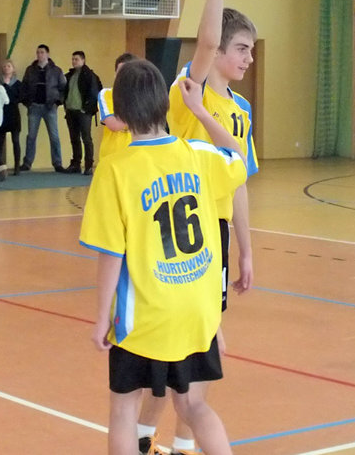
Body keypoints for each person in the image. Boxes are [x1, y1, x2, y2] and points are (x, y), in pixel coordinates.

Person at [80, 59, 247, 455]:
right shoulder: (199, 155)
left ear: (120, 113)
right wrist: (200, 111)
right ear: (164, 104)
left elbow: (111, 254)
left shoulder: (114, 170)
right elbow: (236, 154)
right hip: (198, 310)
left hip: (146, 315)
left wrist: (102, 317)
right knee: (193, 405)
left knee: (124, 410)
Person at [138, 0, 259, 455]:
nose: (248, 58)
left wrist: (246, 249)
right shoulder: (192, 90)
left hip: (216, 238)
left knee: (195, 362)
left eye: (251, 50)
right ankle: (144, 439)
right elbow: (206, 42)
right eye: (242, 49)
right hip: (177, 235)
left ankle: (176, 446)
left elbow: (238, 181)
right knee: (168, 358)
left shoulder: (241, 112)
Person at [19, 44, 66, 172]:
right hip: (34, 106)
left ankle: (57, 163)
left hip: (50, 106)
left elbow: (63, 88)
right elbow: (24, 86)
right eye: (38, 52)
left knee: (54, 136)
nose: (39, 55)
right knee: (31, 136)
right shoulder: (30, 70)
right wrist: (26, 102)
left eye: (42, 52)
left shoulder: (56, 70)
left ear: (47, 54)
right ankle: (27, 163)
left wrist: (58, 102)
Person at [64, 51, 102, 175]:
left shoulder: (89, 75)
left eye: (76, 59)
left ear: (83, 60)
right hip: (71, 111)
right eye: (73, 59)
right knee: (74, 138)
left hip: (83, 112)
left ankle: (89, 165)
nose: (74, 61)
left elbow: (94, 93)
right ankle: (76, 163)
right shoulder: (70, 75)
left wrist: (86, 109)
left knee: (86, 138)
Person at [98, 52, 137, 160]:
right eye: (120, 73)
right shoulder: (106, 94)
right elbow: (114, 125)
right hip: (112, 157)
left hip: (136, 156)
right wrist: (138, 115)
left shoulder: (143, 95)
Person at [0, 59, 22, 175]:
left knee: (15, 140)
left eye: (9, 66)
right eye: (4, 66)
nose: (6, 68)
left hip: (14, 113)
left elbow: (20, 97)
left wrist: (10, 98)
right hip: (1, 114)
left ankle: (17, 166)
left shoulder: (18, 84)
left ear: (13, 69)